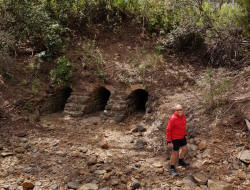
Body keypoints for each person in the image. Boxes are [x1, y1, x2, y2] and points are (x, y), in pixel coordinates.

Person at [166, 104, 189, 176]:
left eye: (180, 109)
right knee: (175, 152)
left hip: (182, 137)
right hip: (175, 138)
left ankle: (181, 161)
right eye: (177, 110)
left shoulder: (183, 116)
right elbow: (168, 130)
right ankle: (172, 168)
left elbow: (183, 126)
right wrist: (169, 141)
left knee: (184, 149)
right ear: (175, 111)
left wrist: (185, 135)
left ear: (183, 110)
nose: (179, 111)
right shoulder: (173, 118)